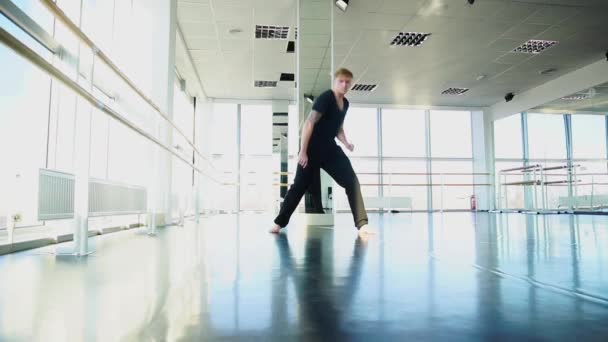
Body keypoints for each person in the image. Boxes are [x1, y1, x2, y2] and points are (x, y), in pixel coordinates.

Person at [270, 68, 374, 236]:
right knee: (299, 186)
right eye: (341, 81)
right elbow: (309, 123)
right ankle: (278, 223)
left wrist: (346, 143)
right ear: (334, 81)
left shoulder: (345, 103)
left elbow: (338, 127)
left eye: (348, 82)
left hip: (330, 149)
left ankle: (362, 224)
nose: (344, 84)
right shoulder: (326, 98)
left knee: (351, 181)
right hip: (311, 148)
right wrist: (303, 152)